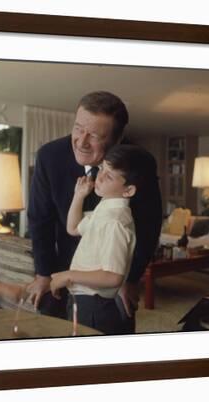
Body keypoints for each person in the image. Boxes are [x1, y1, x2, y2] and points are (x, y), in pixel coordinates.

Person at [27, 91, 162, 332]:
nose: (81, 141)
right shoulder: (49, 156)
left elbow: (149, 225)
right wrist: (43, 274)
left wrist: (128, 278)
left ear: (117, 140)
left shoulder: (139, 163)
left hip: (110, 282)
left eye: (95, 136)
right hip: (60, 269)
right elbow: (40, 220)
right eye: (78, 128)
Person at [49, 145, 153, 334]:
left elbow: (113, 277)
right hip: (83, 299)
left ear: (128, 190)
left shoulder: (115, 221)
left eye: (110, 176)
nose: (100, 177)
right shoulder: (106, 208)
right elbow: (73, 228)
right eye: (102, 169)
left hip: (95, 306)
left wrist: (68, 275)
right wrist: (79, 196)